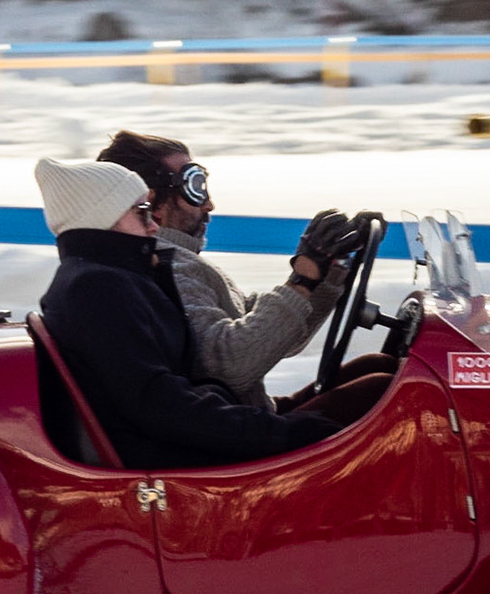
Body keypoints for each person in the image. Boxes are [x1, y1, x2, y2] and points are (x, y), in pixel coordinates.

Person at [33, 156, 343, 470]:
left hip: (175, 443)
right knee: (348, 431)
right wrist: (284, 434)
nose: (153, 224)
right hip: (168, 464)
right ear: (103, 216)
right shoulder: (97, 287)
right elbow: (159, 406)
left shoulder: (116, 277)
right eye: (141, 212)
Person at [97, 130, 396, 427]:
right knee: (391, 391)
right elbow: (232, 364)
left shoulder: (177, 261)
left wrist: (328, 271)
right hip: (235, 430)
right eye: (195, 187)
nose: (209, 205)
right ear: (155, 203)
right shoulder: (170, 267)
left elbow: (270, 339)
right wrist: (303, 279)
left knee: (382, 368)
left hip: (244, 412)